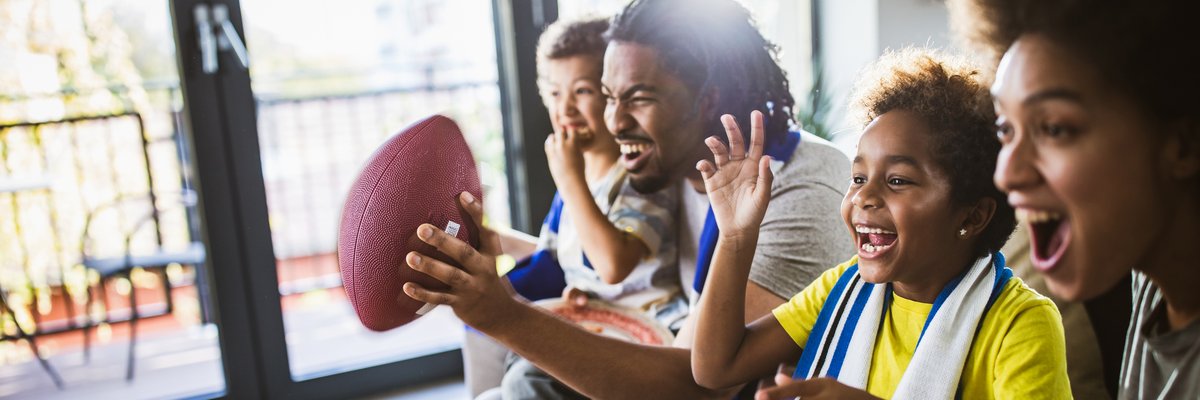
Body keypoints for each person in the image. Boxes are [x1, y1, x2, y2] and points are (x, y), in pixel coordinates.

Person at [411, 0, 852, 398]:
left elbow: (697, 387)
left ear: (708, 99)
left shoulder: (797, 191)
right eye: (607, 97)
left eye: (639, 99)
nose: (615, 121)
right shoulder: (674, 162)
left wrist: (503, 315)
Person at [693, 49, 1071, 399]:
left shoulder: (1021, 323)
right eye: (858, 178)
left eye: (897, 181)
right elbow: (716, 368)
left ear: (972, 216)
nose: (863, 197)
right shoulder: (840, 289)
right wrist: (737, 237)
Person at [950, 0, 1200, 398]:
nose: (1006, 174)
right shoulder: (1153, 283)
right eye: (1006, 129)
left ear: (1182, 147)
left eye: (1054, 128)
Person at [486, 16, 685, 399]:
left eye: (582, 92)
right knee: (518, 358)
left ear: (611, 95)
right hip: (599, 323)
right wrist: (493, 240)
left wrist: (570, 181)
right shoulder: (577, 179)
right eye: (555, 94)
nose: (567, 110)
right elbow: (563, 254)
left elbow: (612, 265)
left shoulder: (638, 175)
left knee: (524, 380)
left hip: (649, 336)